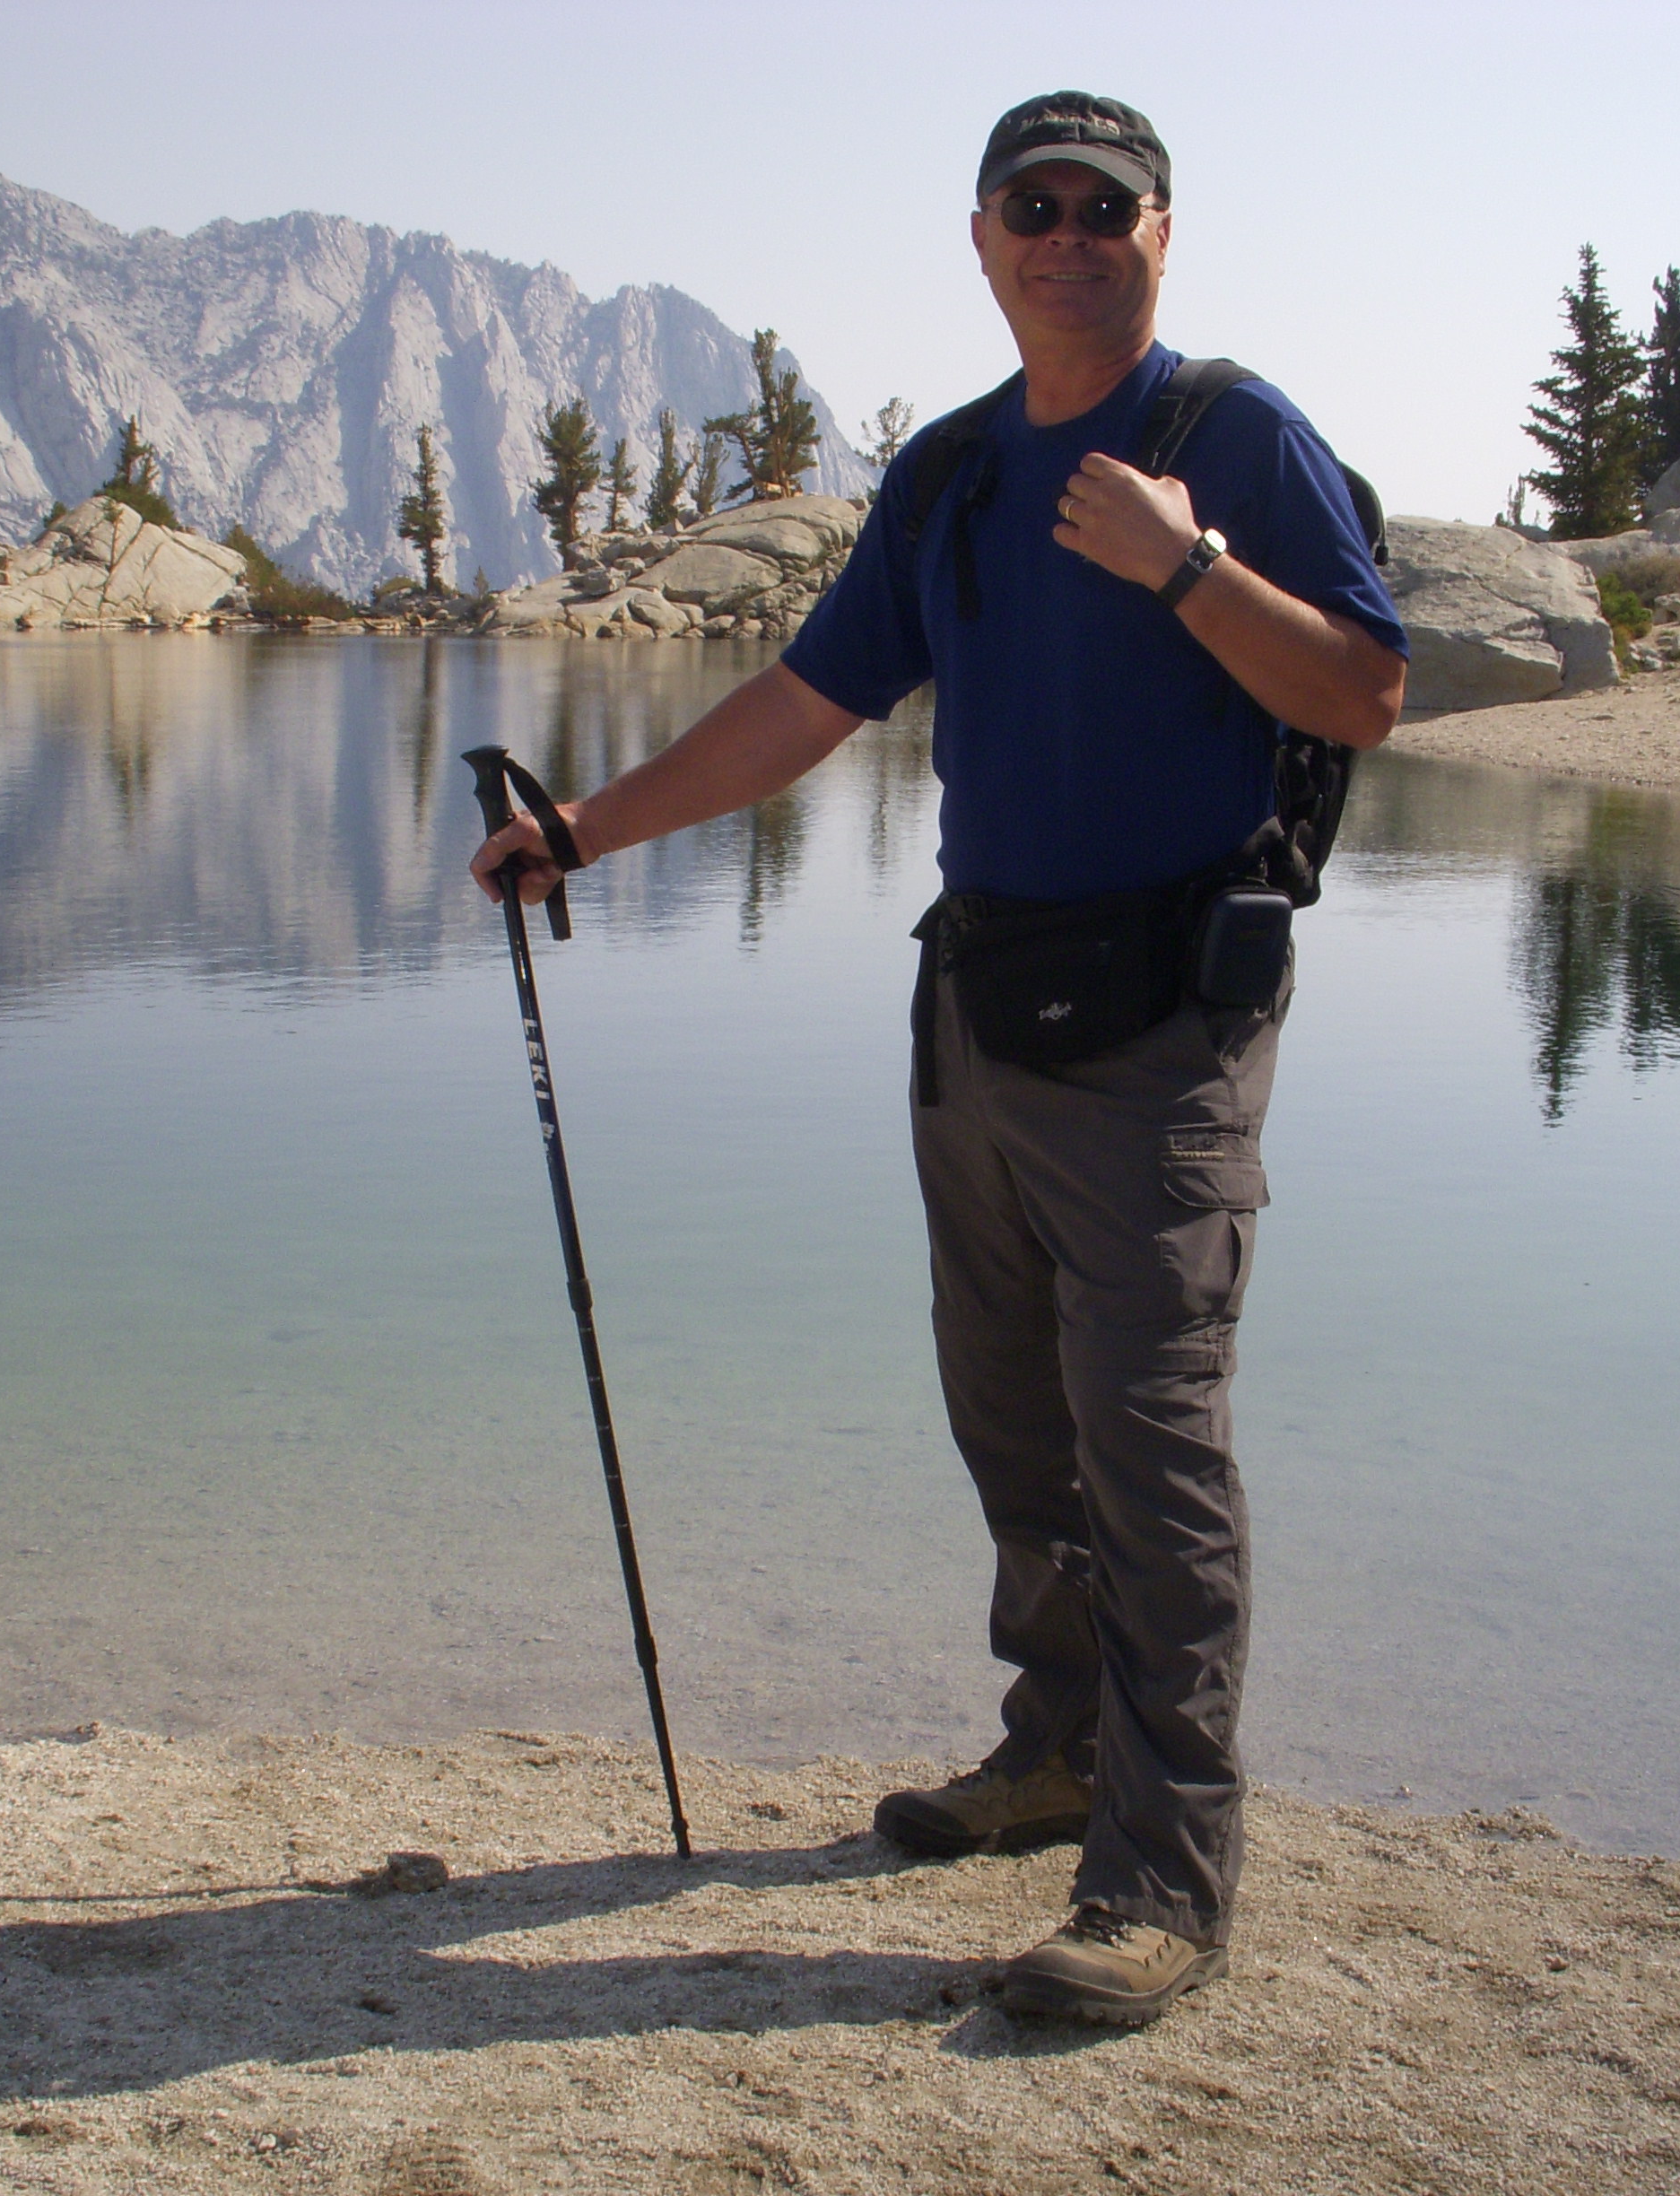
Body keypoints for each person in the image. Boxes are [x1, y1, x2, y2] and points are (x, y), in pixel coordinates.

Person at [473, 89, 1405, 2024]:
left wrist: (1182, 568)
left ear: (1164, 233)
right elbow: (804, 707)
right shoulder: (955, 474)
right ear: (980, 237)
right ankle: (1058, 1751)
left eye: (1104, 207)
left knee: (1152, 1447)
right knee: (1015, 1425)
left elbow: (1365, 691)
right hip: (977, 1010)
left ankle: (1159, 1884)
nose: (1066, 233)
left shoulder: (1231, 437)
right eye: (1029, 205)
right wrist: (583, 834)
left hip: (1165, 1027)